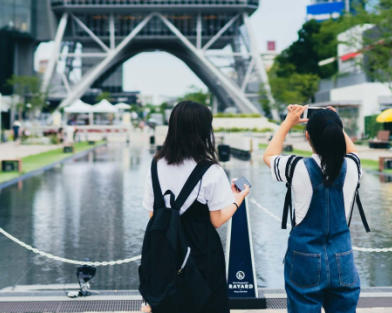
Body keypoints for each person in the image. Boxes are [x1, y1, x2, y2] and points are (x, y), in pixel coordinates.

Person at [141, 101, 249, 313]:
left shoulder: (156, 165)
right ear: (204, 131)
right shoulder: (211, 170)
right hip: (201, 256)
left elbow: (153, 214)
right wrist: (238, 198)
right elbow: (216, 220)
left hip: (165, 255)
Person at [263, 105, 362, 313]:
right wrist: (334, 121)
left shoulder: (297, 167)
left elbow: (269, 155)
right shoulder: (353, 167)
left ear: (308, 137)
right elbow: (352, 151)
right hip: (342, 258)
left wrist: (288, 122)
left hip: (304, 259)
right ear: (337, 134)